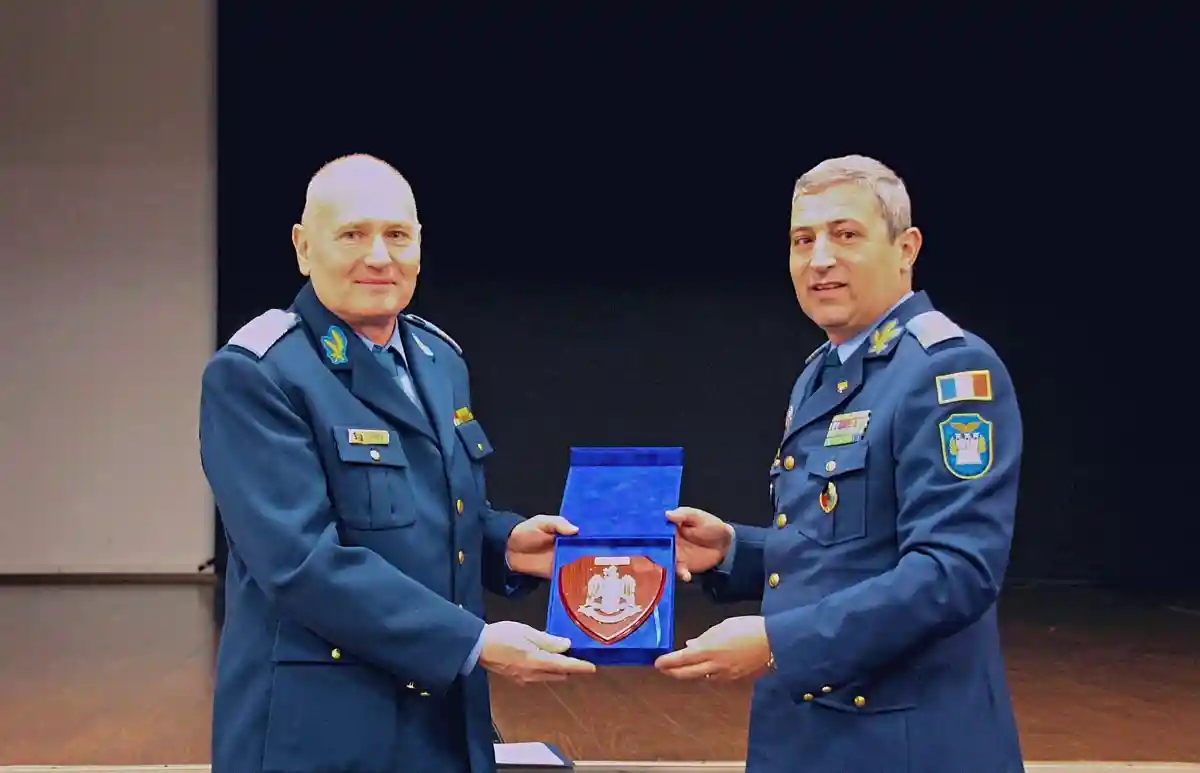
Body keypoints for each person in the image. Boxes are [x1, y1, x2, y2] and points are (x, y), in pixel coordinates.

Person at [199, 154, 595, 773]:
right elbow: (300, 563)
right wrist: (472, 642)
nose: (379, 256)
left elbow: (437, 513)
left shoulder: (439, 359)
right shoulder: (258, 374)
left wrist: (509, 545)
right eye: (353, 235)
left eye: (397, 235)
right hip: (323, 730)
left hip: (441, 721)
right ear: (303, 248)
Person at [655, 155, 1025, 773]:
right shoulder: (825, 370)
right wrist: (733, 552)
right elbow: (838, 551)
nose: (820, 258)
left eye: (845, 234)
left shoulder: (948, 370)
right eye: (803, 240)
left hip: (901, 745)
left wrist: (779, 643)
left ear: (906, 248)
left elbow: (955, 572)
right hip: (810, 734)